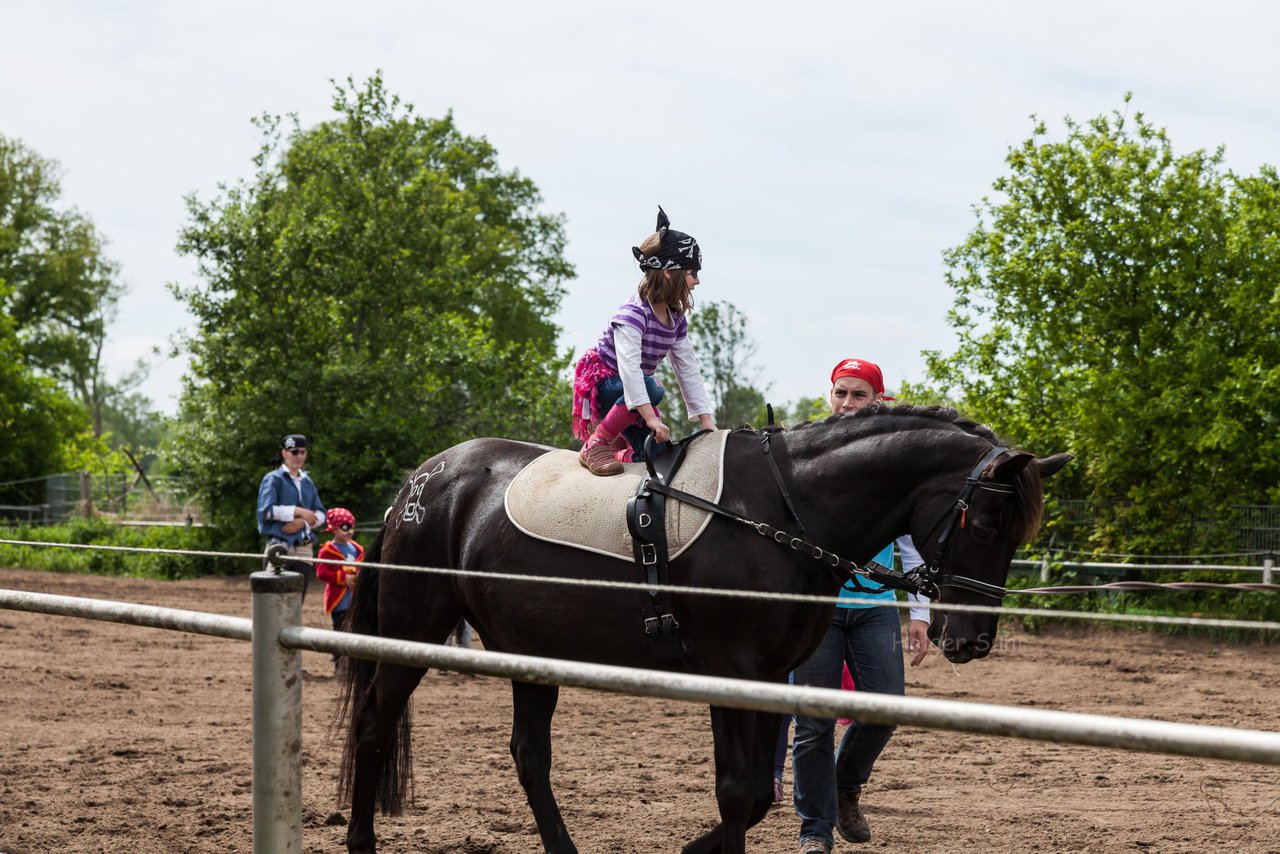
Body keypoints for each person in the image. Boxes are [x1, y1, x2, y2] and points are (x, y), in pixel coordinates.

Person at [792, 358, 932, 854]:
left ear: (877, 401)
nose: (848, 404)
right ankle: (814, 831)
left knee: (884, 707)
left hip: (875, 605)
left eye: (859, 395)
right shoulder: (806, 453)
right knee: (814, 722)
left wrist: (919, 613)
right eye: (841, 393)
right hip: (816, 608)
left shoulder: (891, 462)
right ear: (829, 395)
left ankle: (844, 787)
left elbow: (912, 542)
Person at [572, 206, 716, 476]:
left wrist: (706, 421)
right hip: (607, 382)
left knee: (661, 453)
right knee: (654, 388)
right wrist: (649, 417)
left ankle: (621, 453)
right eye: (691, 273)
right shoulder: (634, 314)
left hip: (631, 393)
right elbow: (629, 370)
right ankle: (596, 444)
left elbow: (687, 368)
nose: (697, 281)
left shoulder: (675, 319)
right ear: (668, 273)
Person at [256, 434, 326, 603]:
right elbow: (266, 511)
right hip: (279, 547)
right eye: (295, 452)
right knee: (273, 602)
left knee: (296, 603)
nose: (299, 456)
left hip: (304, 550)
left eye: (303, 452)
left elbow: (322, 515)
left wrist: (301, 522)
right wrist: (298, 511)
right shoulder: (273, 478)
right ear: (284, 453)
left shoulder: (308, 482)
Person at [314, 506, 362, 671]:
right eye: (345, 527)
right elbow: (322, 572)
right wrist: (343, 578)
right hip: (338, 601)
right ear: (334, 529)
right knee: (339, 632)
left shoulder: (357, 549)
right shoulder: (327, 551)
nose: (349, 531)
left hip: (354, 601)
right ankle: (339, 664)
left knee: (354, 631)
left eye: (351, 527)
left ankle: (352, 663)